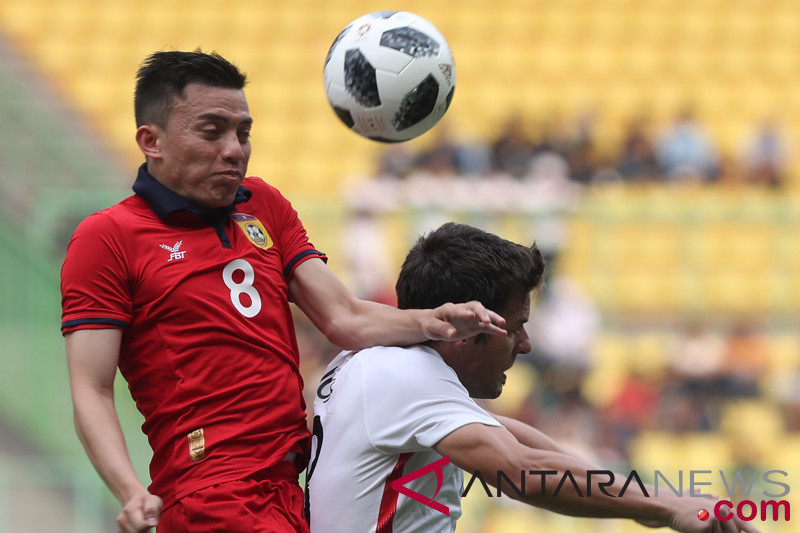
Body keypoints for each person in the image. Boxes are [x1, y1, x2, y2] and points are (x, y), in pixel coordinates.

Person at [59, 51, 507, 533]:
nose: (234, 149)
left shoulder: (264, 205)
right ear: (152, 141)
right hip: (214, 489)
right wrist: (129, 489)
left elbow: (344, 318)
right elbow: (91, 386)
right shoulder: (108, 237)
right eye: (212, 132)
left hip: (295, 484)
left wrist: (429, 320)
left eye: (243, 133)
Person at [306, 222, 759, 533]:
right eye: (517, 326)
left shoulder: (380, 361)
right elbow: (521, 471)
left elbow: (515, 439)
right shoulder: (405, 374)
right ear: (467, 328)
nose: (525, 345)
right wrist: (664, 509)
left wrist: (660, 497)